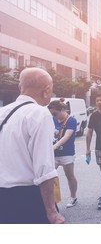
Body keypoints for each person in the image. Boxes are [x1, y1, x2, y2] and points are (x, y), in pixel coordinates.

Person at [0, 67, 65, 224]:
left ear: (20, 87)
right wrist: (52, 211)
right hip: (27, 198)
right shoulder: (39, 113)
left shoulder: (2, 112)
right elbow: (44, 167)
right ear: (46, 90)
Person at [48, 98, 78, 208]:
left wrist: (54, 147)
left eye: (55, 113)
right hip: (54, 154)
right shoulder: (53, 119)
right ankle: (51, 200)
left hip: (67, 153)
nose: (54, 116)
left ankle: (73, 197)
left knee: (69, 175)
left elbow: (66, 137)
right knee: (49, 176)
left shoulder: (71, 120)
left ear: (62, 110)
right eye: (52, 114)